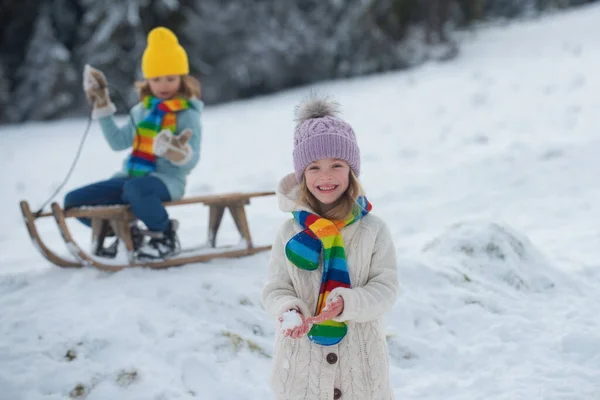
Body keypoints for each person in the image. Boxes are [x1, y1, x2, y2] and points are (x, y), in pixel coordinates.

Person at [261, 94, 399, 399]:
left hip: (361, 373)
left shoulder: (373, 231)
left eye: (336, 164)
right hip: (303, 373)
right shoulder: (289, 232)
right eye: (313, 167)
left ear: (351, 171)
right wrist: (288, 309)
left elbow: (385, 289)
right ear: (301, 174)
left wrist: (349, 303)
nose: (326, 176)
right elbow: (275, 289)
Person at [63, 26, 203, 259]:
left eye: (171, 78)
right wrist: (102, 107)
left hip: (167, 182)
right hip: (130, 178)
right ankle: (126, 232)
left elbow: (191, 159)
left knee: (135, 189)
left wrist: (179, 153)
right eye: (157, 79)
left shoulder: (187, 114)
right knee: (73, 201)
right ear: (147, 80)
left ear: (182, 78)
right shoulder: (141, 111)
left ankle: (164, 234)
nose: (164, 85)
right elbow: (118, 142)